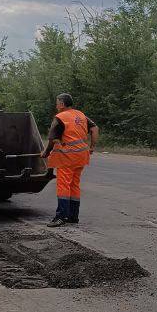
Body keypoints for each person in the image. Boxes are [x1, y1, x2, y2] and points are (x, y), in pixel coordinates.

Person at [41, 93, 100, 227]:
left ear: (62, 104)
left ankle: (60, 217)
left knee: (63, 185)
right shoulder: (80, 115)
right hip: (81, 156)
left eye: (57, 103)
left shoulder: (60, 117)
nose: (56, 106)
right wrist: (92, 147)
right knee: (74, 185)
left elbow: (52, 139)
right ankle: (73, 216)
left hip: (66, 158)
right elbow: (95, 129)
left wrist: (46, 152)